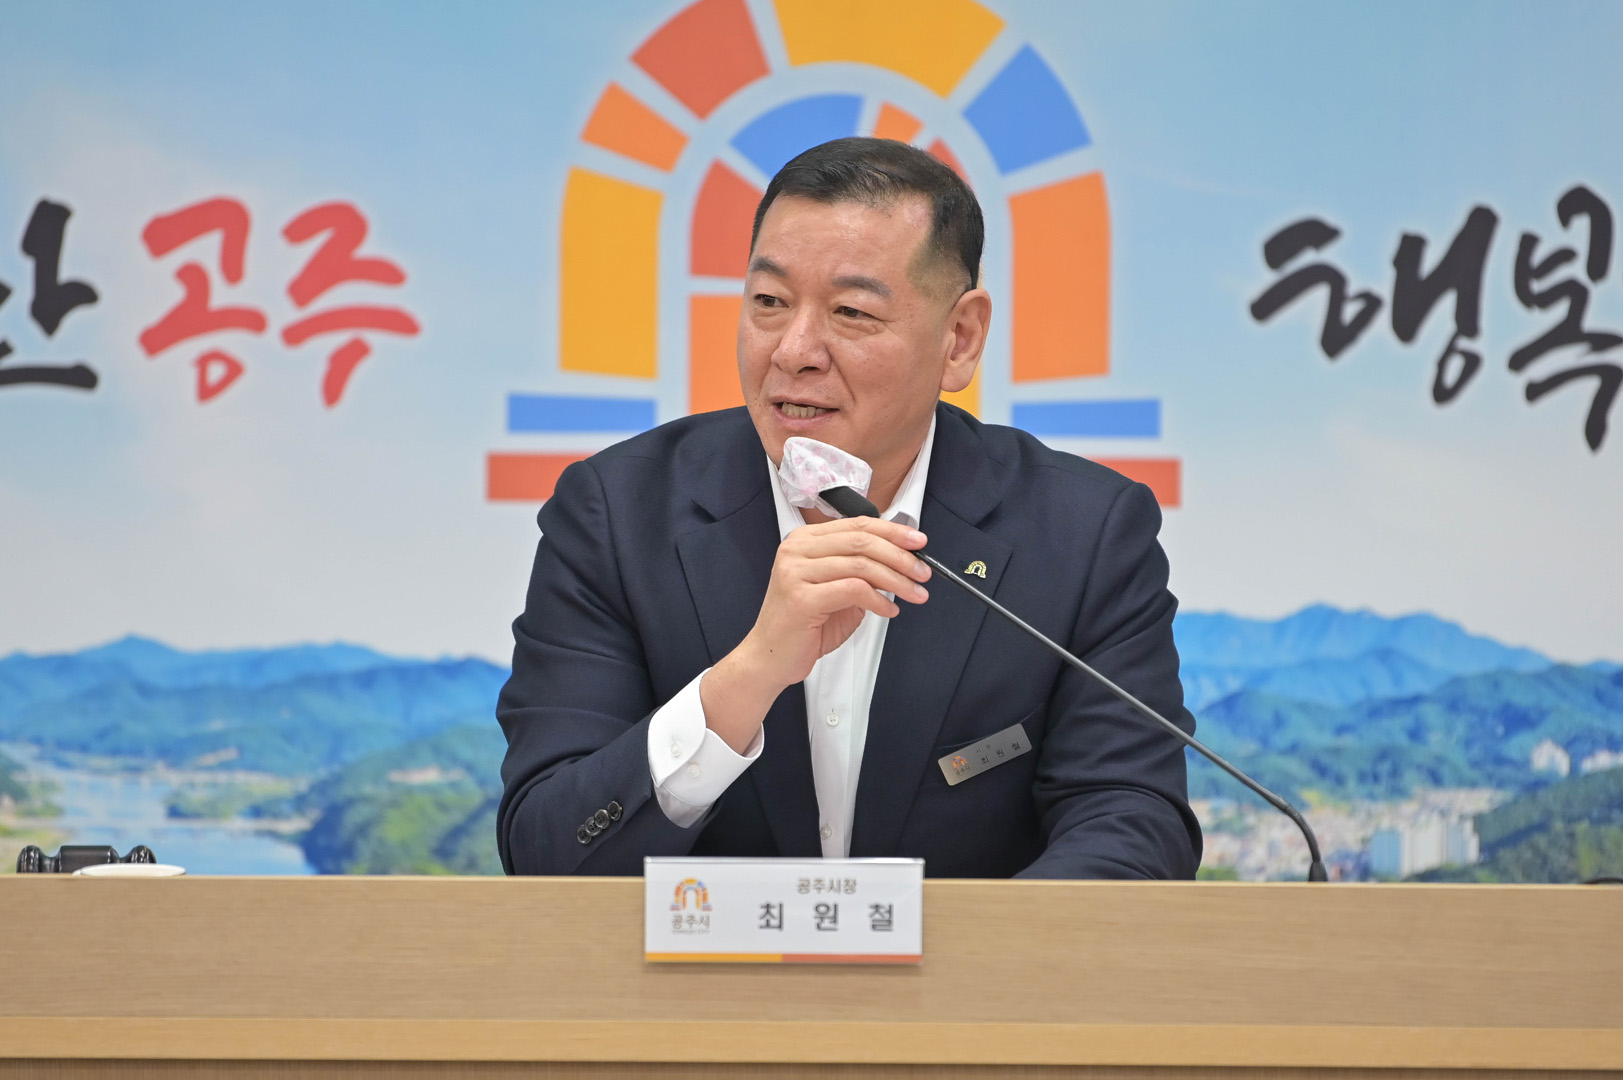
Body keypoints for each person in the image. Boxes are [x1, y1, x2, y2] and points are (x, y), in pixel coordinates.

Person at [497, 137, 1201, 879]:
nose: (793, 350)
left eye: (851, 312)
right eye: (769, 303)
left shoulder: (1083, 533)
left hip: (978, 962)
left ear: (959, 339)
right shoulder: (616, 515)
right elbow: (546, 850)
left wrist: (948, 953)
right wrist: (748, 676)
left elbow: (1132, 825)